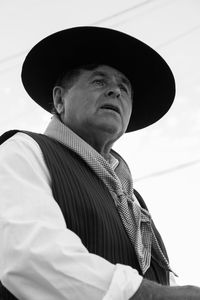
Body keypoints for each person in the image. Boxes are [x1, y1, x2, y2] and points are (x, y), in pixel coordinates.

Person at [0, 26, 199, 300]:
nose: (115, 92)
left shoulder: (135, 201)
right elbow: (30, 256)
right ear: (59, 99)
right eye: (99, 81)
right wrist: (156, 296)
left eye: (124, 88)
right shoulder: (23, 151)